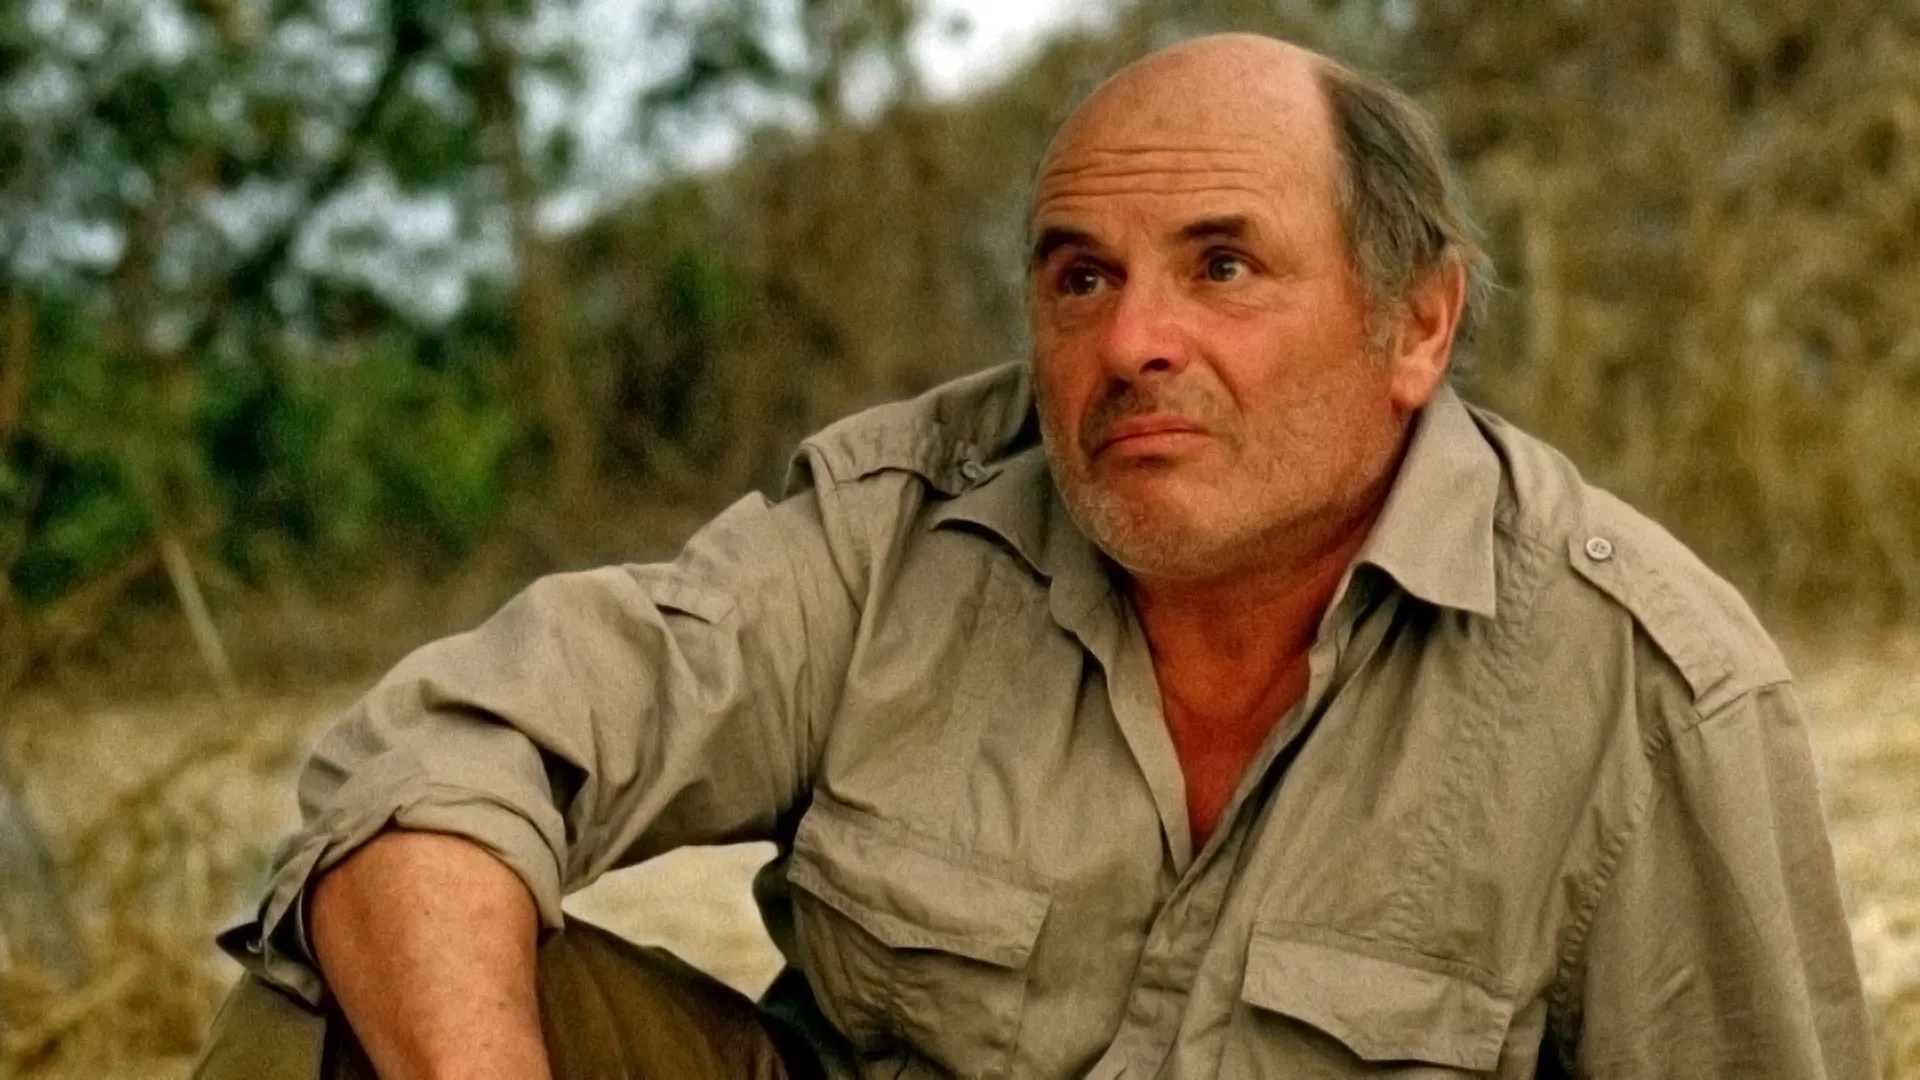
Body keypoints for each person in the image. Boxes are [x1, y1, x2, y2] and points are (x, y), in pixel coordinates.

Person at [194, 32, 1876, 1080]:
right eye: (1081, 278)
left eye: (1223, 267)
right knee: (331, 1009)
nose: (1132, 341)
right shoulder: (897, 529)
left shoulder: (1651, 684)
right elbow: (441, 762)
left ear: (1415, 324)